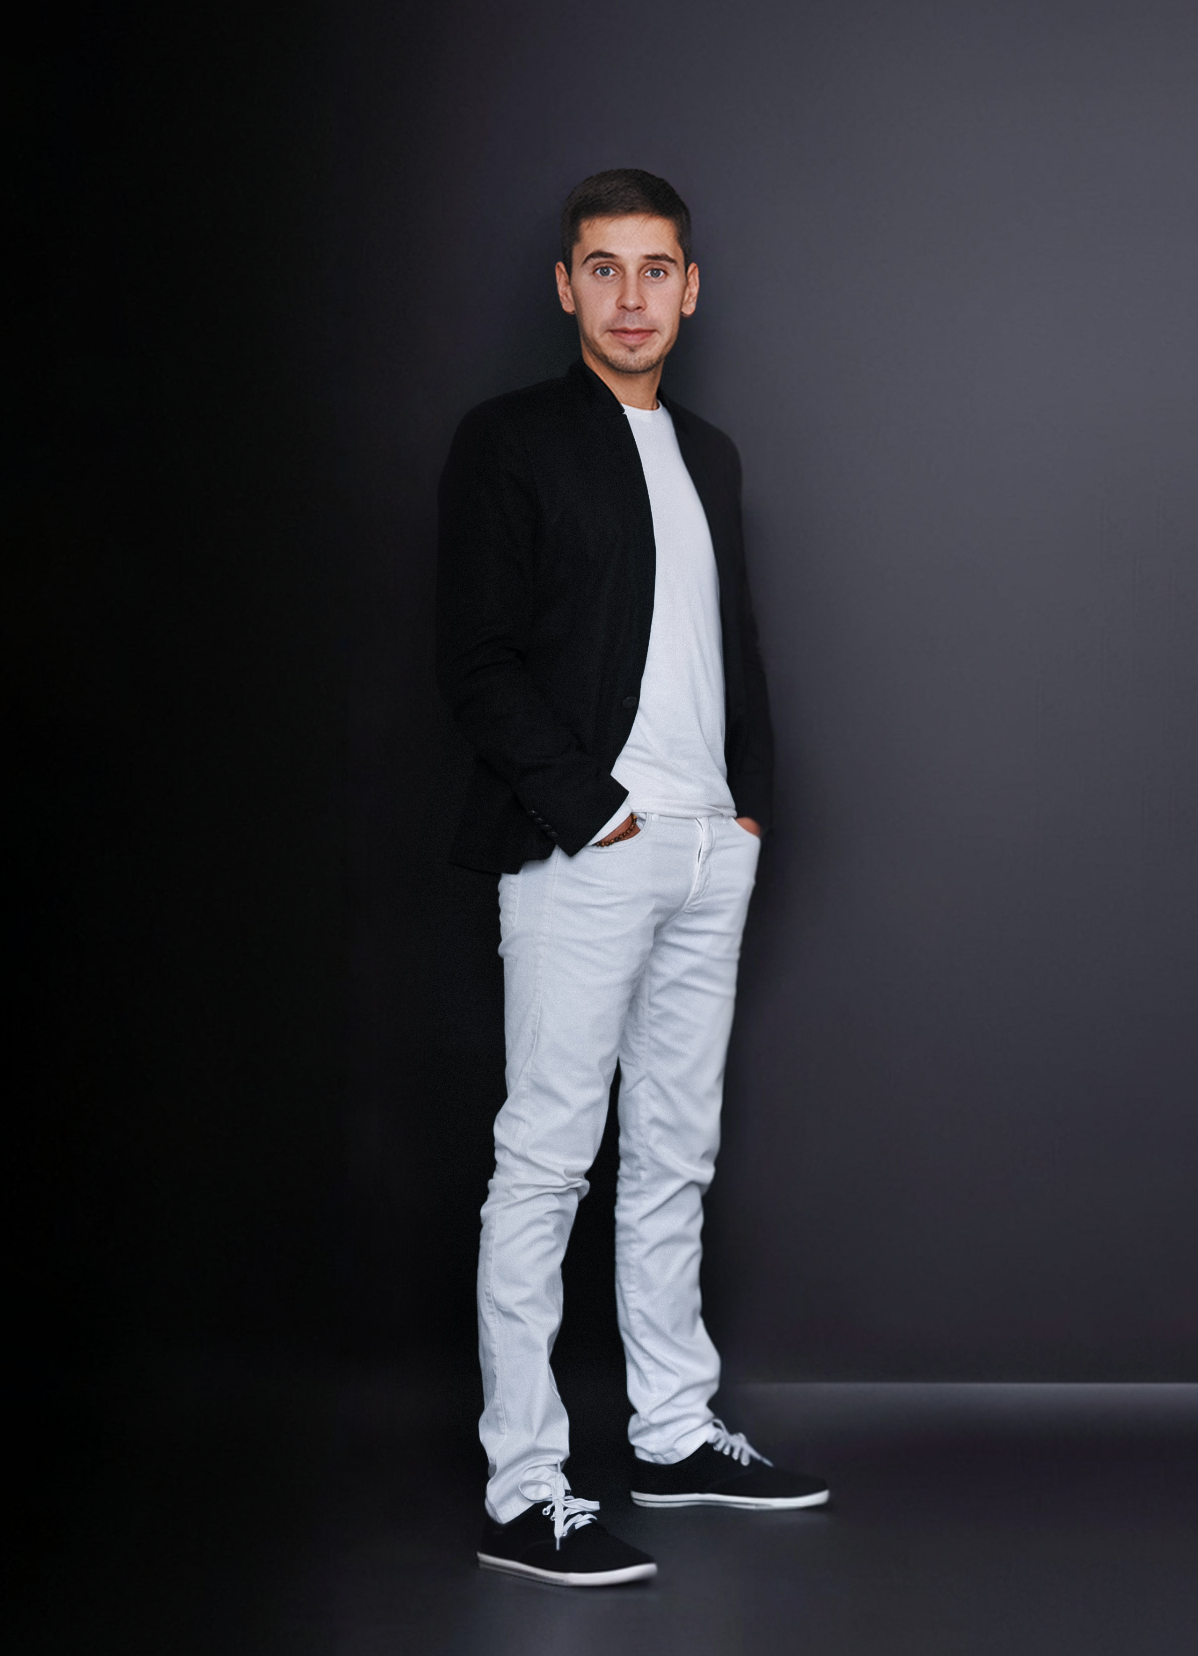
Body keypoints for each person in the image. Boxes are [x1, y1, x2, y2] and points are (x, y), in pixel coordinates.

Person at [437, 168, 829, 1589]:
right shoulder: (510, 440)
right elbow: (474, 655)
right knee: (546, 1162)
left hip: (708, 846)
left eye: (655, 269)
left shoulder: (709, 452)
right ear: (565, 287)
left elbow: (733, 644)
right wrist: (588, 810)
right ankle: (523, 1486)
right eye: (602, 269)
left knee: (675, 1155)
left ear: (690, 288)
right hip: (585, 848)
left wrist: (747, 810)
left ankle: (669, 1430)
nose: (629, 297)